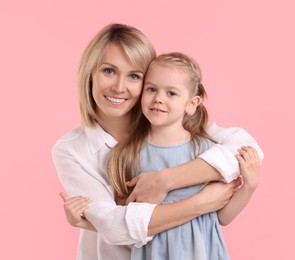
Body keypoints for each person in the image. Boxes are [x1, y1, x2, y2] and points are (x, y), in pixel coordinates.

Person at [53, 23, 263, 260]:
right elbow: (114, 224)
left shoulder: (172, 124)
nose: (119, 87)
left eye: (134, 76)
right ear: (89, 73)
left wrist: (164, 181)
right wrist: (201, 204)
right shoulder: (74, 150)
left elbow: (247, 148)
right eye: (108, 71)